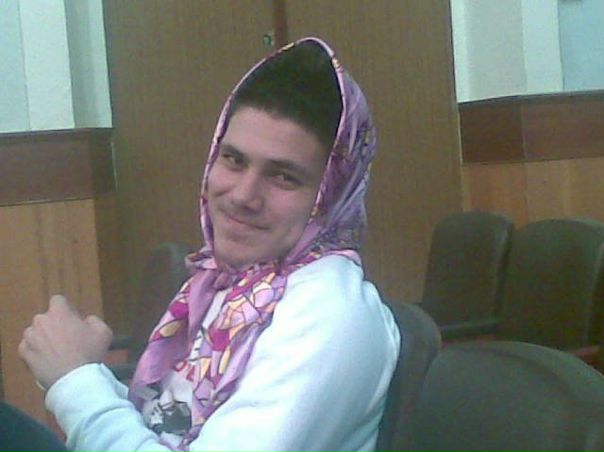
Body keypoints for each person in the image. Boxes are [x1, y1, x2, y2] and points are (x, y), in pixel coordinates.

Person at [18, 37, 400, 452]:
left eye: (284, 177)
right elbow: (169, 428)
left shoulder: (329, 315)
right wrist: (81, 369)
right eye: (233, 159)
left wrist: (75, 382)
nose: (243, 196)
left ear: (333, 196)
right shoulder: (234, 284)